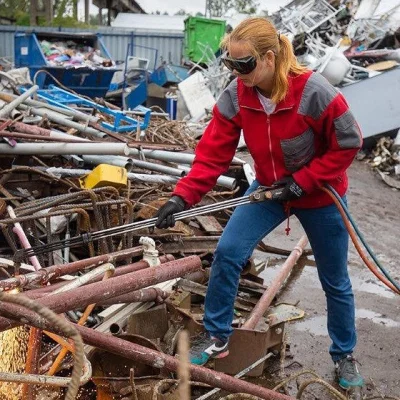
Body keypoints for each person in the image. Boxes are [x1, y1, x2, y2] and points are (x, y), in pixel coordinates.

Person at [155, 17, 364, 390]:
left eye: (244, 64)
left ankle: (344, 357)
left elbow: (347, 144)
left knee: (335, 280)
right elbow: (212, 155)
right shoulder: (238, 96)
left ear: (269, 58)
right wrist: (182, 196)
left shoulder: (315, 92)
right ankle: (217, 335)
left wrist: (302, 183)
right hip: (269, 191)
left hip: (320, 194)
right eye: (230, 64)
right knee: (229, 251)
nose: (237, 72)